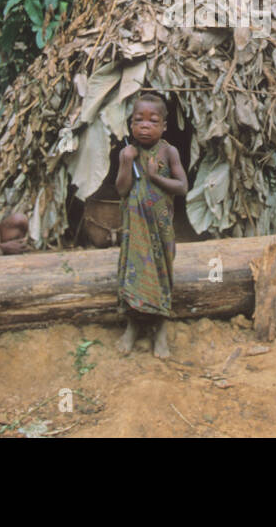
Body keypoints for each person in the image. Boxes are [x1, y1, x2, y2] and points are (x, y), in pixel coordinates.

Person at [114, 90, 188, 358]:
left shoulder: (169, 152)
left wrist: (156, 178)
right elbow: (122, 190)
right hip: (135, 230)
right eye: (139, 120)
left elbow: (182, 187)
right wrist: (125, 163)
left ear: (164, 125)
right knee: (134, 274)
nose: (145, 126)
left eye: (153, 121)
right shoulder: (128, 152)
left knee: (161, 275)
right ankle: (132, 327)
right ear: (130, 124)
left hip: (160, 229)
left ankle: (161, 331)